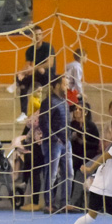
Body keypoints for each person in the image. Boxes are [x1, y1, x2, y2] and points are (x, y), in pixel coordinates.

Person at [40, 74, 72, 213]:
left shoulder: (65, 102)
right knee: (51, 174)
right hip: (54, 143)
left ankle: (65, 203)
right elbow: (44, 123)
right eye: (65, 84)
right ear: (58, 85)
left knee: (68, 173)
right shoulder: (48, 102)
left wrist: (68, 138)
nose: (68, 87)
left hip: (66, 142)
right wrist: (54, 138)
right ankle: (49, 204)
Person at [15, 25, 55, 123]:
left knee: (41, 70)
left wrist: (35, 68)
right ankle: (24, 113)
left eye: (39, 34)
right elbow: (28, 65)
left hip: (48, 74)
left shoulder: (48, 47)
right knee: (21, 81)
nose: (37, 37)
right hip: (37, 74)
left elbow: (50, 64)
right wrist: (22, 73)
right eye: (35, 35)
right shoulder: (30, 50)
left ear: (42, 35)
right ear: (31, 36)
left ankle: (48, 113)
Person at [68, 101, 101, 210]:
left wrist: (84, 141)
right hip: (74, 156)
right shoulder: (72, 125)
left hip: (88, 157)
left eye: (80, 109)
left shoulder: (91, 126)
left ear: (86, 112)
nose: (77, 111)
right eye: (76, 109)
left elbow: (96, 144)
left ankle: (74, 203)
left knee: (80, 172)